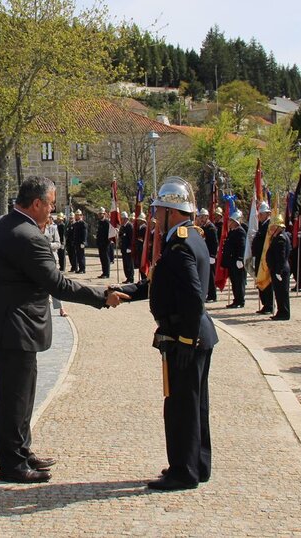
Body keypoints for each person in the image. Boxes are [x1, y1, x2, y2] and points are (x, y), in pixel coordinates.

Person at [0, 176, 125, 484]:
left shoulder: (2, 225)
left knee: (22, 394)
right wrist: (101, 296)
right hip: (15, 325)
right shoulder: (27, 235)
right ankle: (13, 464)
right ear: (37, 203)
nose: (53, 209)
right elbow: (56, 283)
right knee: (14, 397)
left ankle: (22, 450)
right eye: (51, 203)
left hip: (5, 322)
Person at [114, 177, 217, 490]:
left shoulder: (181, 244)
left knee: (180, 405)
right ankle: (197, 464)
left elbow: (192, 295)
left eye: (159, 211)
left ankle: (182, 471)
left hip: (185, 337)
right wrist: (122, 291)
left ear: (172, 212)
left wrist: (185, 338)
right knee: (195, 403)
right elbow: (161, 284)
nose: (155, 216)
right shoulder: (190, 238)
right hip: (195, 334)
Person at [266, 212, 292, 321]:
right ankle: (281, 311)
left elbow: (281, 257)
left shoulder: (281, 238)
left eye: (273, 227)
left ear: (278, 227)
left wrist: (279, 270)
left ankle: (284, 313)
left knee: (282, 293)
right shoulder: (278, 237)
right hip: (277, 268)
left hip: (280, 269)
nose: (271, 229)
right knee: (278, 292)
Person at [251, 202, 274, 315]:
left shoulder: (269, 225)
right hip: (259, 257)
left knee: (266, 282)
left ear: (267, 214)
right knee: (260, 281)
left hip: (265, 258)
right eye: (259, 214)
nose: (259, 216)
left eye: (261, 214)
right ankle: (265, 304)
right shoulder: (261, 225)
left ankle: (269, 305)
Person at [221, 210, 247, 309]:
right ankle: (236, 300)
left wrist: (240, 258)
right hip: (232, 261)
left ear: (236, 222)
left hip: (237, 261)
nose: (229, 223)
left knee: (239, 282)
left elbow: (242, 246)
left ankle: (240, 301)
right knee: (234, 282)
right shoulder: (233, 231)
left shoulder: (240, 231)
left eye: (231, 221)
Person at [198, 209, 219, 302]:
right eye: (200, 217)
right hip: (205, 254)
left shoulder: (211, 227)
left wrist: (213, 255)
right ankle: (208, 293)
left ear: (207, 217)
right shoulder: (203, 227)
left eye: (203, 217)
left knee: (211, 276)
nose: (201, 219)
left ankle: (212, 295)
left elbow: (215, 242)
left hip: (210, 255)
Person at [96, 207, 113, 278]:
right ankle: (104, 272)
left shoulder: (106, 222)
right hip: (100, 243)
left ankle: (107, 273)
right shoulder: (100, 222)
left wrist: (107, 242)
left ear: (104, 214)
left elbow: (108, 234)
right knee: (102, 258)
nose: (99, 215)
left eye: (101, 214)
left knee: (106, 258)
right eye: (99, 214)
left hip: (105, 243)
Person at [118, 211, 134, 283]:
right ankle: (127, 277)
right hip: (123, 248)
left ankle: (131, 278)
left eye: (124, 219)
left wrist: (130, 247)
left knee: (129, 264)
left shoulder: (129, 226)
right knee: (125, 264)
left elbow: (131, 238)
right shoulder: (122, 227)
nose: (123, 220)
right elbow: (121, 236)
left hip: (128, 248)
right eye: (122, 219)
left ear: (127, 219)